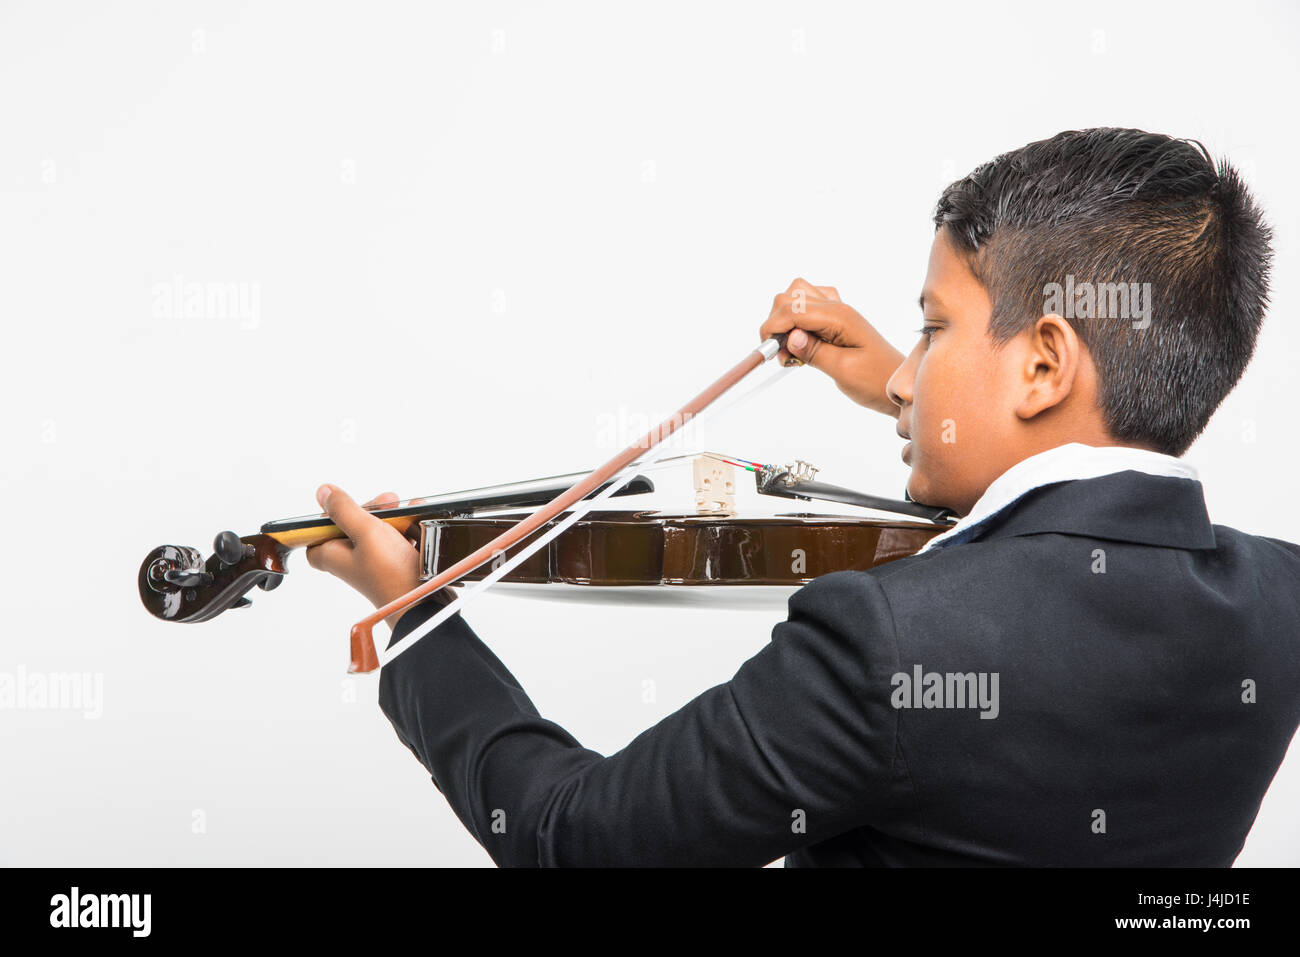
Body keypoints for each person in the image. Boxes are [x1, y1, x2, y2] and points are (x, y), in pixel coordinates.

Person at [306, 128, 1300, 866]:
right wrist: (907, 394)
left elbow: (572, 841)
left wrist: (417, 616)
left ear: (1043, 365)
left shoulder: (888, 637)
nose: (905, 372)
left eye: (932, 327)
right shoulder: (1276, 600)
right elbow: (1062, 556)